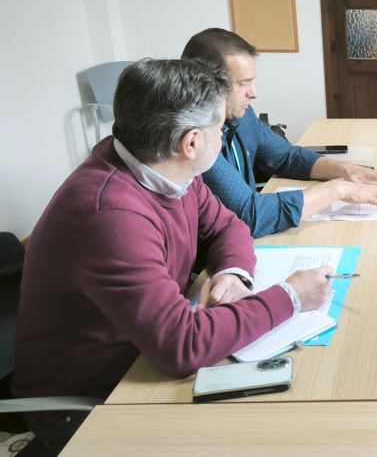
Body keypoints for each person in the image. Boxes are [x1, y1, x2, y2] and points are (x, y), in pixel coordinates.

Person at [13, 59, 334, 453]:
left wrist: (234, 273)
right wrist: (292, 297)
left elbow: (229, 226)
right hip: (93, 399)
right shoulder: (110, 215)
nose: (223, 135)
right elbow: (183, 346)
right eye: (220, 128)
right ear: (192, 143)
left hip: (144, 354)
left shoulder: (166, 167)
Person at [182, 28, 377, 238]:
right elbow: (250, 215)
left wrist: (345, 169)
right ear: (207, 85)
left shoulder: (242, 116)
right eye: (243, 84)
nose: (254, 93)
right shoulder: (196, 141)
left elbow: (287, 156)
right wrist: (337, 190)